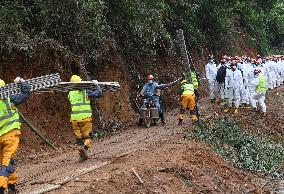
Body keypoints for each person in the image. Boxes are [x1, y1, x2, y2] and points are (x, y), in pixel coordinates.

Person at [0, 77, 30, 194]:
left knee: (7, 161)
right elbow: (26, 93)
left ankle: (11, 186)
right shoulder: (10, 98)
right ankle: (1, 187)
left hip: (0, 138)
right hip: (11, 136)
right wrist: (22, 82)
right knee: (6, 163)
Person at [68, 75, 102, 162]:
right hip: (85, 118)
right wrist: (96, 85)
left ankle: (81, 156)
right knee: (87, 137)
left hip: (74, 120)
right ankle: (85, 148)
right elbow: (99, 93)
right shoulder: (85, 92)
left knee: (78, 139)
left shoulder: (70, 94)